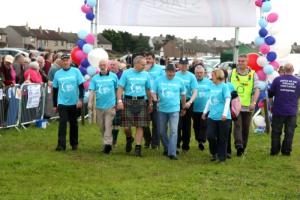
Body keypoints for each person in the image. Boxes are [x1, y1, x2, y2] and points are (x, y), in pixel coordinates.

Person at [116, 56, 152, 157]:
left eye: (145, 65)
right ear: (136, 64)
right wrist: (119, 101)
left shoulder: (146, 74)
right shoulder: (126, 73)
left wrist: (150, 102)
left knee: (139, 125)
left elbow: (148, 90)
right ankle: (129, 138)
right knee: (126, 127)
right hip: (128, 100)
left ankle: (138, 148)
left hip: (141, 101)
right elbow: (120, 88)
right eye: (143, 65)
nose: (145, 66)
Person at [152, 64, 186, 160]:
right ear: (166, 71)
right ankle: (167, 147)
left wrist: (183, 107)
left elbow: (183, 95)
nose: (170, 74)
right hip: (161, 109)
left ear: (175, 72)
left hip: (174, 110)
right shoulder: (159, 80)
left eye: (172, 72)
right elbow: (153, 91)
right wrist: (155, 98)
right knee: (162, 132)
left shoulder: (180, 81)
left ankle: (172, 153)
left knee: (174, 131)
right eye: (169, 72)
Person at [52, 54, 85, 151]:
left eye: (67, 60)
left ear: (70, 61)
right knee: (62, 123)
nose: (65, 62)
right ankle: (61, 145)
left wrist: (80, 99)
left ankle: (74, 143)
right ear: (61, 62)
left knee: (73, 123)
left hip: (74, 102)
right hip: (62, 103)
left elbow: (81, 87)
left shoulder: (76, 71)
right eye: (63, 61)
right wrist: (55, 104)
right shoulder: (58, 74)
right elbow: (55, 89)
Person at [229, 54, 260, 156]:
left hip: (248, 106)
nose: (240, 63)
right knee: (237, 125)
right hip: (235, 105)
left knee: (246, 128)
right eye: (239, 61)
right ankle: (239, 145)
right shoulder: (232, 73)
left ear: (247, 62)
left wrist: (254, 102)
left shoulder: (253, 74)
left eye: (243, 61)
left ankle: (243, 146)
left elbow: (257, 90)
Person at [268, 63, 300, 156]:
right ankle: (286, 151)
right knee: (289, 132)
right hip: (292, 111)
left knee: (276, 132)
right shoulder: (298, 81)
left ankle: (274, 151)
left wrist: (272, 105)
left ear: (284, 70)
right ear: (293, 70)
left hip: (278, 110)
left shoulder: (277, 80)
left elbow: (270, 94)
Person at [88, 59, 118, 154]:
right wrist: (90, 102)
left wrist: (118, 101)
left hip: (110, 105)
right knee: (102, 127)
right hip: (99, 106)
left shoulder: (113, 76)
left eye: (104, 64)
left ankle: (107, 145)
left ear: (107, 65)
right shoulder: (95, 78)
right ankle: (106, 143)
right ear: (99, 66)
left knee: (108, 125)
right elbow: (92, 91)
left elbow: (117, 89)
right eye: (101, 64)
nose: (102, 66)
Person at [202, 69, 231, 163]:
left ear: (218, 76)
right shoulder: (212, 86)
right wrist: (205, 112)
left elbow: (227, 100)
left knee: (222, 138)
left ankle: (222, 158)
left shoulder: (224, 87)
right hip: (212, 116)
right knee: (210, 136)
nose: (211, 77)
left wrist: (224, 113)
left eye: (213, 75)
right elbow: (209, 100)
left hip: (223, 117)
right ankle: (214, 153)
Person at [176, 57, 198, 152]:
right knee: (177, 124)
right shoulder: (175, 75)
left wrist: (190, 102)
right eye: (182, 64)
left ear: (188, 65)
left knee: (186, 124)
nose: (184, 66)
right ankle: (176, 144)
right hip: (177, 102)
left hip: (188, 102)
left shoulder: (191, 76)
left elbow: (195, 91)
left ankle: (185, 145)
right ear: (179, 65)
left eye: (186, 64)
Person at [143, 52, 164, 149]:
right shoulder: (142, 69)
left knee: (156, 121)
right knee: (144, 122)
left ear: (154, 59)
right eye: (146, 59)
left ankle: (155, 143)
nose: (148, 61)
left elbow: (163, 82)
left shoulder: (160, 69)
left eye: (149, 58)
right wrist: (144, 70)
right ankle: (147, 140)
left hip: (156, 98)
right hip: (144, 98)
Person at [192, 65, 212, 151]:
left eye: (201, 73)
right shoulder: (192, 82)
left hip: (205, 109)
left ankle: (202, 140)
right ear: (194, 73)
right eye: (197, 73)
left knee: (204, 125)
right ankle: (198, 139)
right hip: (194, 108)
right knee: (196, 125)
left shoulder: (209, 82)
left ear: (204, 73)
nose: (199, 74)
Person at [109, 60, 123, 146]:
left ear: (118, 66)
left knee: (116, 122)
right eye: (111, 65)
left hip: (119, 100)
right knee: (109, 121)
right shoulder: (108, 74)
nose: (112, 66)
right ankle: (109, 139)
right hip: (109, 100)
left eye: (114, 65)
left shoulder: (122, 75)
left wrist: (119, 100)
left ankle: (114, 140)